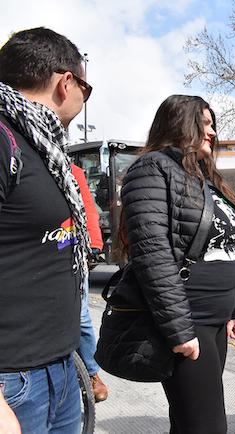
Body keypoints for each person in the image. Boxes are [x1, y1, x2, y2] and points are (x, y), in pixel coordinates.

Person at [116, 94, 235, 433]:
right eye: (204, 124)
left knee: (188, 423)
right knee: (207, 427)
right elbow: (152, 254)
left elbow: (228, 247)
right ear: (181, 123)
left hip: (214, 321)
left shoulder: (204, 178)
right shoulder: (152, 168)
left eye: (212, 125)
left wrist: (234, 308)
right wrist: (179, 331)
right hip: (188, 320)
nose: (211, 132)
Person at [0, 27, 91, 433]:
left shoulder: (44, 145)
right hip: (14, 382)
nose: (83, 101)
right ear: (65, 82)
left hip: (58, 369)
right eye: (86, 90)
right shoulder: (6, 139)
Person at [71, 163, 110, 403]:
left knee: (81, 315)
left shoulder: (73, 170)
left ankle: (92, 373)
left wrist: (94, 243)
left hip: (72, 252)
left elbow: (88, 209)